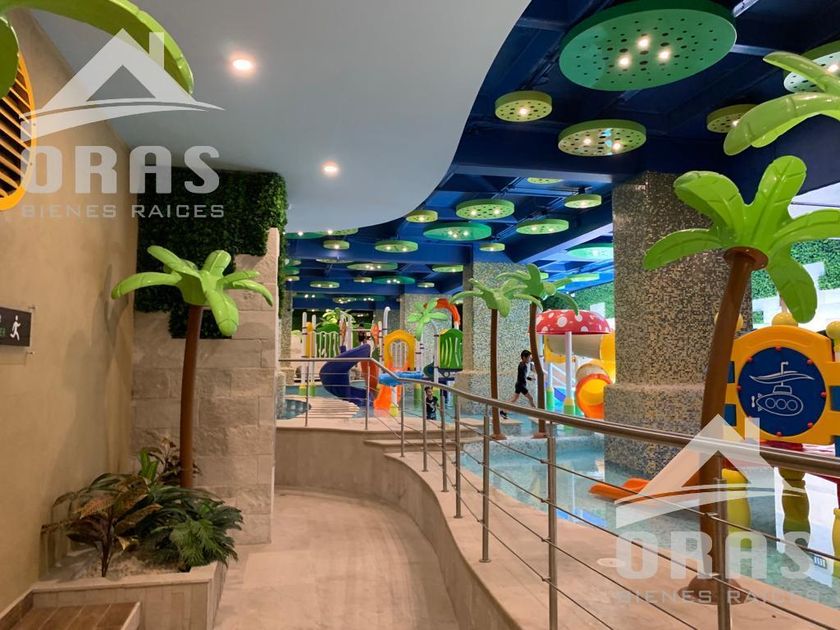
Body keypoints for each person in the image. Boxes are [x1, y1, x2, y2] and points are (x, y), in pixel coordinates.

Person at [500, 350, 536, 418]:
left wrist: (530, 379)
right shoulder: (522, 366)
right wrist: (530, 378)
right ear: (524, 357)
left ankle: (503, 411)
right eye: (529, 357)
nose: (530, 359)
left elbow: (525, 375)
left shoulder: (524, 364)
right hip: (521, 385)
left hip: (519, 384)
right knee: (530, 398)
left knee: (513, 400)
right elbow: (523, 376)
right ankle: (536, 413)